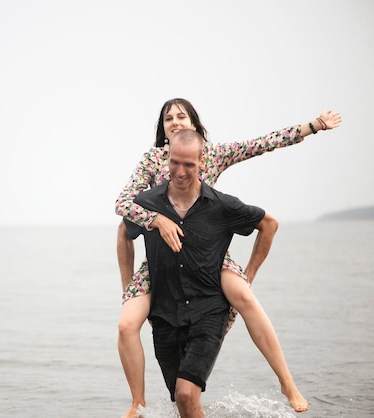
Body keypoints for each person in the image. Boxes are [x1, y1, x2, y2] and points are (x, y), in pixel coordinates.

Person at [115, 98, 342, 418]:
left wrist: (314, 126)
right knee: (127, 324)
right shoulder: (152, 160)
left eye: (182, 116)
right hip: (160, 259)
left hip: (208, 252)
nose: (175, 121)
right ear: (163, 130)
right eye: (168, 119)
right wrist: (156, 221)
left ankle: (287, 382)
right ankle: (137, 403)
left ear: (195, 125)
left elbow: (261, 144)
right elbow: (124, 205)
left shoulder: (213, 153)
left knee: (244, 296)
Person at [134, 128, 278, 417]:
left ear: (202, 162)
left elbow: (269, 224)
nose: (181, 171)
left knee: (187, 393)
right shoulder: (148, 203)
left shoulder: (221, 205)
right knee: (182, 400)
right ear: (167, 160)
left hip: (208, 311)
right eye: (175, 162)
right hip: (164, 316)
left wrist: (248, 275)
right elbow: (124, 231)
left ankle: (287, 383)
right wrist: (128, 284)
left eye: (189, 164)